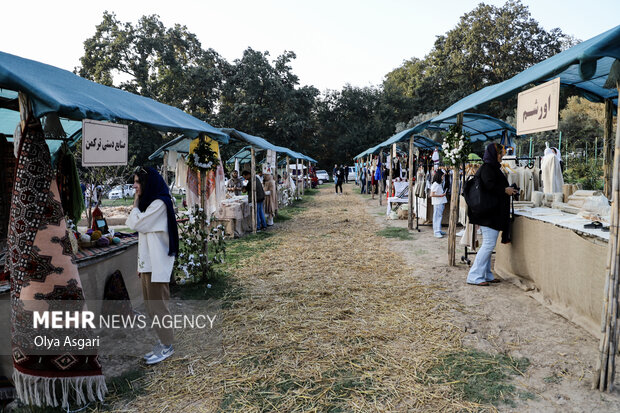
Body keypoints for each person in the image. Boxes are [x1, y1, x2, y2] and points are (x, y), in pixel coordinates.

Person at [126, 167, 179, 364]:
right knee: (150, 307)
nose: (134, 185)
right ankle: (163, 342)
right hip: (148, 264)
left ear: (148, 183)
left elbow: (137, 224)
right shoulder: (150, 204)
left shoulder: (159, 204)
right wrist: (141, 265)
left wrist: (135, 204)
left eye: (138, 181)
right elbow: (143, 235)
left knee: (159, 307)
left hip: (157, 264)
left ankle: (167, 346)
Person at [466, 143, 518, 286]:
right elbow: (490, 187)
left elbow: (492, 186)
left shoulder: (491, 168)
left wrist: (506, 189)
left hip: (490, 213)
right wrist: (504, 190)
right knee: (488, 245)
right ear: (494, 154)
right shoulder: (488, 168)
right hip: (489, 214)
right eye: (500, 153)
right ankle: (474, 276)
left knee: (488, 245)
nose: (502, 156)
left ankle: (486, 274)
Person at [430, 170, 447, 238]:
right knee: (437, 217)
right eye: (442, 176)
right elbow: (432, 194)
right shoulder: (435, 184)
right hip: (438, 203)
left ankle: (438, 230)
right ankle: (436, 231)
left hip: (440, 202)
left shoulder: (438, 184)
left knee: (439, 216)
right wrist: (441, 195)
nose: (443, 177)